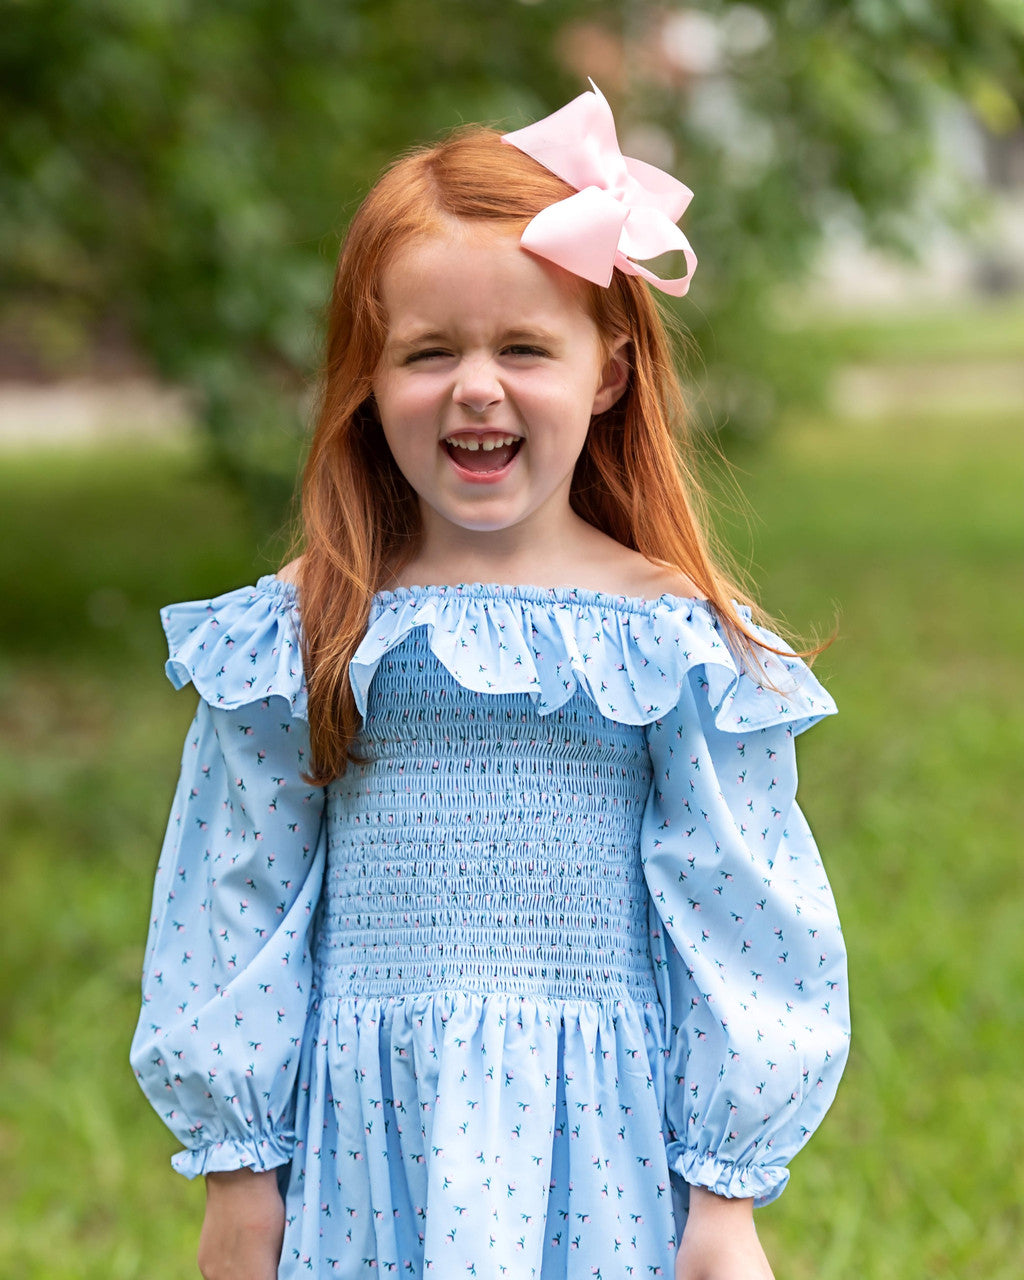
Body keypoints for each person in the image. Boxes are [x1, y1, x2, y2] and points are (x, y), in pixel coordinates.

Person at [131, 82, 849, 1280]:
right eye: (428, 352)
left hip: (600, 1147)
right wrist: (241, 1170)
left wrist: (723, 1191)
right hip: (363, 1142)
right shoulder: (312, 623)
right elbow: (233, 887)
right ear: (367, 376)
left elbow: (740, 903)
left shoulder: (667, 637)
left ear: (608, 372)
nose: (477, 386)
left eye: (523, 346)